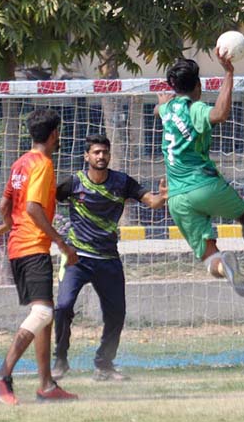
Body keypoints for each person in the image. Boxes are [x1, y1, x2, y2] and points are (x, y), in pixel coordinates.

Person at [155, 52, 244, 298]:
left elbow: (159, 109)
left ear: (173, 88)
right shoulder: (194, 108)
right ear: (198, 85)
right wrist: (229, 73)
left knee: (210, 257)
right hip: (202, 184)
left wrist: (164, 103)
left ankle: (225, 266)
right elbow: (219, 114)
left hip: (176, 199)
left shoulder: (167, 109)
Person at [49, 134, 168, 382]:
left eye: (104, 152)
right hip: (76, 258)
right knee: (62, 307)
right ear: (87, 156)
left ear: (109, 155)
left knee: (116, 314)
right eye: (96, 152)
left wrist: (162, 197)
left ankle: (104, 364)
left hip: (108, 259)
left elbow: (151, 201)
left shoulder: (122, 182)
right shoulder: (74, 183)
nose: (101, 156)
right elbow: (46, 201)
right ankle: (60, 359)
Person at [0, 109, 79, 405]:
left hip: (17, 246)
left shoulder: (20, 163)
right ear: (54, 135)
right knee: (42, 314)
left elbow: (5, 204)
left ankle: (47, 386)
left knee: (45, 317)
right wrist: (62, 244)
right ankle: (1, 375)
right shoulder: (43, 164)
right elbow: (34, 209)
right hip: (33, 247)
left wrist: (8, 226)